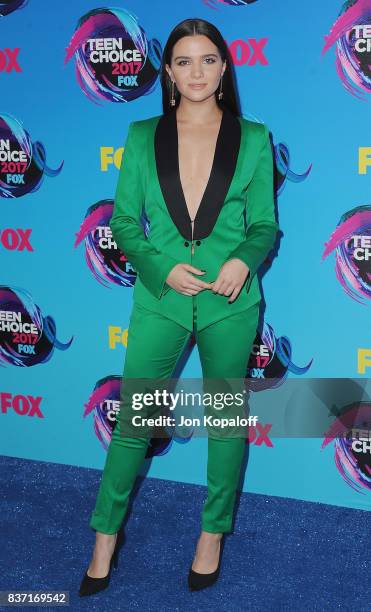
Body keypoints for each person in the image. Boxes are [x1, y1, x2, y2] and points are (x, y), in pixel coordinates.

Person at [79, 17, 279, 597]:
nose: (197, 71)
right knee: (134, 422)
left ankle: (212, 535)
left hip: (230, 304)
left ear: (224, 68)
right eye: (184, 61)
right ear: (167, 71)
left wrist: (243, 259)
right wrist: (161, 266)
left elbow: (264, 224)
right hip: (161, 299)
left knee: (223, 420)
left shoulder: (255, 137)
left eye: (209, 59)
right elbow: (121, 222)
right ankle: (103, 539)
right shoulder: (142, 135)